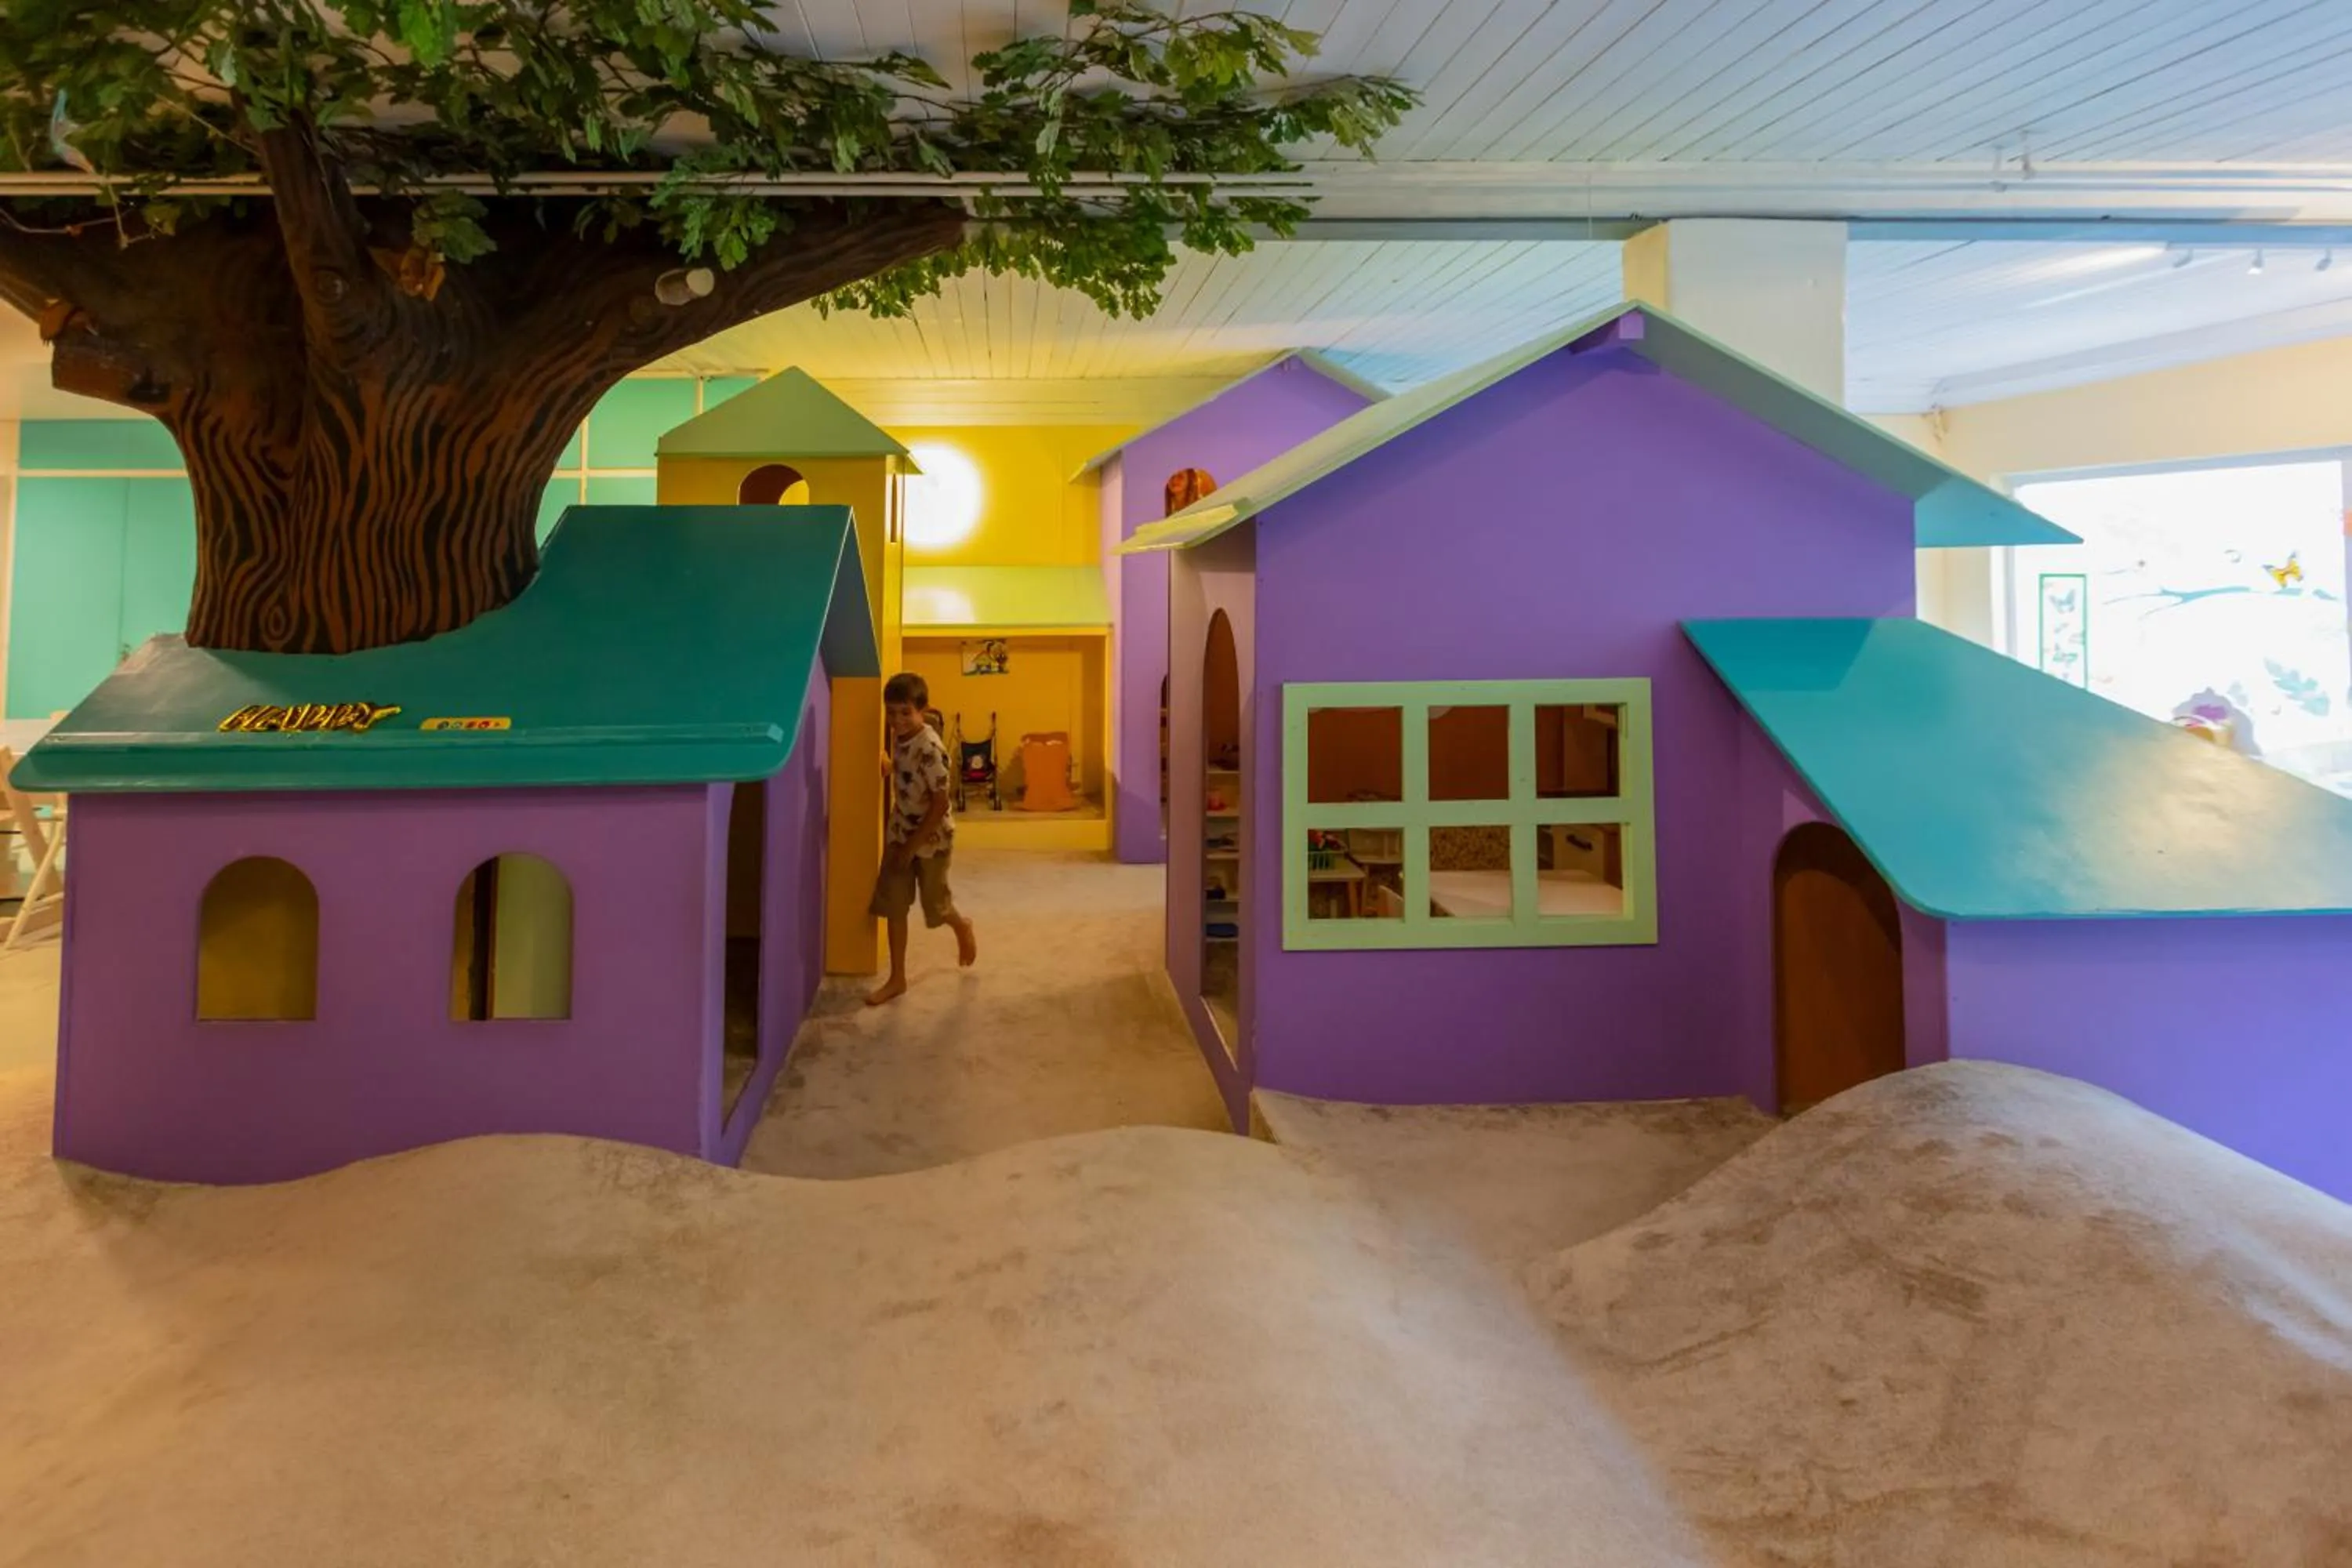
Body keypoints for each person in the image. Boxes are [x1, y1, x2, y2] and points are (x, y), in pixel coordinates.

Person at [866, 673, 978, 1005]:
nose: (897, 720)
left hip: (932, 841)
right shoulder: (899, 739)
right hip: (901, 833)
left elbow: (940, 803)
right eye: (892, 712)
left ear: (923, 711)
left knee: (937, 908)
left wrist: (913, 847)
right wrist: (887, 765)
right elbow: (905, 773)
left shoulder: (931, 748)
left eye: (905, 713)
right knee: (894, 905)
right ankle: (897, 978)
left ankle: (962, 926)